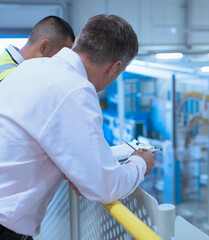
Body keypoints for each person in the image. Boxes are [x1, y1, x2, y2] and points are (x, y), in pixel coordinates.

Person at [0, 14, 154, 239]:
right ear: (114, 68)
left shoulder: (30, 68)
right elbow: (106, 186)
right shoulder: (75, 90)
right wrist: (141, 163)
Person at [0, 15, 75, 82]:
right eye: (59, 56)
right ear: (44, 47)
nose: (60, 64)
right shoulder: (10, 77)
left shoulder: (9, 66)